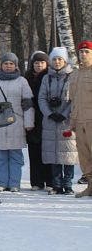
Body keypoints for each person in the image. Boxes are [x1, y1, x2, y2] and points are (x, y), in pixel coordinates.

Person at [0, 53, 35, 192]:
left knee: (15, 156)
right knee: (0, 156)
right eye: (6, 63)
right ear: (1, 65)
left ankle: (15, 183)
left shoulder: (22, 81)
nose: (8, 66)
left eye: (11, 64)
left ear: (16, 65)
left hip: (16, 122)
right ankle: (2, 182)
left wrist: (29, 122)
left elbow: (28, 103)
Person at [38, 47, 78, 195]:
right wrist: (49, 113)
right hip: (50, 121)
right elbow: (41, 98)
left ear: (65, 61)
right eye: (54, 59)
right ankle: (56, 184)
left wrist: (65, 114)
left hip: (66, 121)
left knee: (68, 153)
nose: (57, 62)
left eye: (60, 59)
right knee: (53, 153)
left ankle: (68, 184)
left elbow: (75, 98)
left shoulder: (72, 76)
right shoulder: (46, 78)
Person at [25, 51, 53, 191]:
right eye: (36, 62)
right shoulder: (27, 77)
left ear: (47, 63)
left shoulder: (49, 77)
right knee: (33, 150)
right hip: (30, 115)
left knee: (46, 149)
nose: (39, 65)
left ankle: (49, 180)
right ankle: (36, 181)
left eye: (42, 62)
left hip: (45, 116)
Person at [71, 41, 92, 198]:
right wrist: (72, 120)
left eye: (87, 51)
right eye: (81, 51)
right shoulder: (75, 73)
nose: (83, 54)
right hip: (79, 121)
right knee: (84, 156)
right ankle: (90, 186)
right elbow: (72, 99)